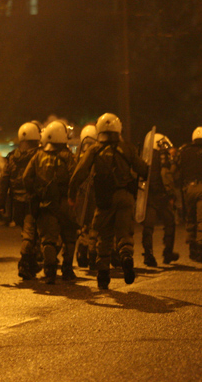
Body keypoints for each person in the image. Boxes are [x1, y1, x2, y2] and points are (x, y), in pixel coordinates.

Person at [69, 113, 148, 289]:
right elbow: (142, 169)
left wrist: (72, 193)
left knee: (104, 237)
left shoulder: (94, 150)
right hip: (125, 197)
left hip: (104, 199)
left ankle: (103, 276)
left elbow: (79, 173)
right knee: (124, 234)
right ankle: (126, 256)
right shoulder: (127, 148)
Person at [23, 121, 78, 284]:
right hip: (66, 203)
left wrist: (35, 193)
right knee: (69, 237)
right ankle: (67, 270)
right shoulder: (68, 156)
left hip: (46, 204)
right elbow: (75, 178)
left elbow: (26, 178)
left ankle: (50, 272)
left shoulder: (38, 156)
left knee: (48, 239)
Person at [0, 122, 42, 280]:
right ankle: (24, 262)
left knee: (27, 232)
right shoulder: (39, 156)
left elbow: (3, 180)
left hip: (16, 203)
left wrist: (1, 204)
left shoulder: (12, 158)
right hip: (33, 201)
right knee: (30, 235)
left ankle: (31, 263)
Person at [139, 133, 179, 267]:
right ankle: (168, 253)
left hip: (148, 196)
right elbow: (165, 175)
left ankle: (148, 254)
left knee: (148, 227)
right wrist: (171, 194)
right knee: (170, 222)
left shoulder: (144, 157)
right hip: (161, 196)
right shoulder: (162, 156)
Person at [177, 126, 202, 263]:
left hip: (188, 188)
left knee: (190, 219)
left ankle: (192, 250)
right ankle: (201, 251)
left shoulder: (184, 152)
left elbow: (179, 171)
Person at [73, 124, 98, 269]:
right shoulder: (97, 156)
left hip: (81, 196)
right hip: (92, 195)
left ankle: (82, 254)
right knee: (93, 226)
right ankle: (92, 254)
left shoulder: (77, 158)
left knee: (82, 226)